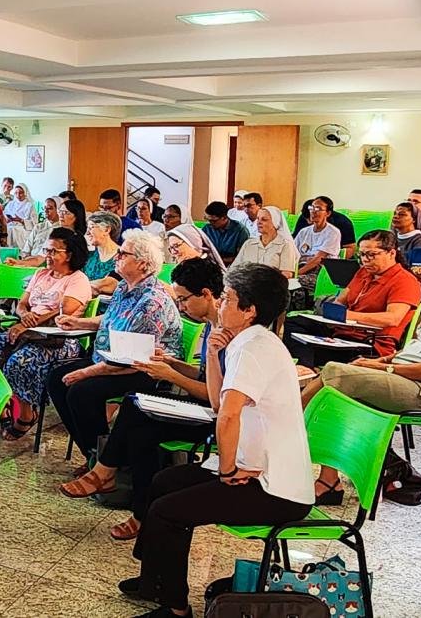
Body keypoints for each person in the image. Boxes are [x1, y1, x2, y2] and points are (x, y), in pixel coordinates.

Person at [120, 263, 313, 618]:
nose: (221, 304)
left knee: (168, 512)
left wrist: (225, 472)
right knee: (164, 482)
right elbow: (217, 402)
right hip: (254, 468)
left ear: (249, 310)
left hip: (276, 489)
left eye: (227, 298)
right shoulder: (246, 341)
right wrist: (211, 352)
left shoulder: (256, 348)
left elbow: (227, 416)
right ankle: (155, 581)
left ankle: (175, 608)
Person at [301, 253, 421, 504]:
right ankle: (329, 479)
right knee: (338, 391)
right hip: (410, 379)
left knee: (335, 373)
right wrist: (379, 362)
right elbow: (412, 351)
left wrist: (383, 370)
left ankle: (288, 430)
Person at [59, 258, 222, 541]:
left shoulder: (225, 333)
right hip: (203, 402)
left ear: (206, 294)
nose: (181, 307)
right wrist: (171, 362)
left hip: (216, 417)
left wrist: (170, 374)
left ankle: (105, 473)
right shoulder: (212, 326)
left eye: (184, 300)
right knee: (137, 419)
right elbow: (204, 375)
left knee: (135, 412)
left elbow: (216, 396)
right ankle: (136, 507)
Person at [46, 230, 184, 461]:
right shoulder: (124, 287)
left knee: (81, 391)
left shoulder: (152, 302)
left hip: (146, 369)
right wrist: (80, 322)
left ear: (143, 264)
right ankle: (93, 453)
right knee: (56, 378)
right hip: (113, 358)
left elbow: (133, 358)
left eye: (123, 253)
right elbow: (111, 319)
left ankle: (107, 461)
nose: (116, 257)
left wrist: (86, 372)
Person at [0, 228, 92, 440]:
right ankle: (4, 404)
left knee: (20, 362)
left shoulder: (78, 279)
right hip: (27, 330)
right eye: (47, 250)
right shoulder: (40, 274)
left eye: (54, 252)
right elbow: (22, 304)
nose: (48, 256)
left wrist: (31, 322)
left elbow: (64, 312)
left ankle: (27, 413)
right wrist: (25, 315)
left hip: (59, 338)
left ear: (69, 255)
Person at [284, 230, 421, 367]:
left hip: (369, 342)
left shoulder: (405, 281)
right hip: (341, 332)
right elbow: (341, 301)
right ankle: (305, 368)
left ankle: (306, 369)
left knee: (309, 350)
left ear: (392, 253)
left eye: (372, 255)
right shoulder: (364, 272)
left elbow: (393, 318)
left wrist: (348, 316)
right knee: (295, 323)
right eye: (361, 255)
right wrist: (334, 316)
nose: (365, 260)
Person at [293, 196, 342, 296]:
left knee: (293, 282)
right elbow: (293, 253)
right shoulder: (304, 232)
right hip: (302, 268)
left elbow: (318, 259)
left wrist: (296, 274)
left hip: (321, 273)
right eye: (312, 208)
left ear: (328, 213)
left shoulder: (333, 232)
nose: (313, 211)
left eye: (318, 209)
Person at [231, 205, 298, 277]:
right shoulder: (249, 244)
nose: (259, 222)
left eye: (264, 219)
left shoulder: (285, 245)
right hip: (246, 284)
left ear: (275, 223)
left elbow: (286, 275)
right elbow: (234, 268)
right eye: (258, 219)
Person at [7, 196, 61, 267]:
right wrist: (23, 260)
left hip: (48, 264)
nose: (46, 211)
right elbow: (27, 248)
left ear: (58, 210)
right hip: (29, 262)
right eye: (44, 208)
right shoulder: (39, 227)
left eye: (50, 208)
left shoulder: (62, 230)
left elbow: (42, 258)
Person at [84, 211, 122, 296]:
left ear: (106, 230)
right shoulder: (89, 256)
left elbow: (109, 284)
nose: (87, 233)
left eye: (91, 227)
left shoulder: (123, 256)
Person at [4, 183, 36, 250]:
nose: (18, 195)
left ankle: (20, 253)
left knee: (16, 230)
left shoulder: (29, 205)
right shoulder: (11, 204)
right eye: (16, 193)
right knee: (9, 230)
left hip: (23, 228)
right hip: (10, 226)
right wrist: (8, 219)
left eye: (21, 193)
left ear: (25, 193)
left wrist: (20, 220)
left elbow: (34, 223)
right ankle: (8, 251)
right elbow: (4, 216)